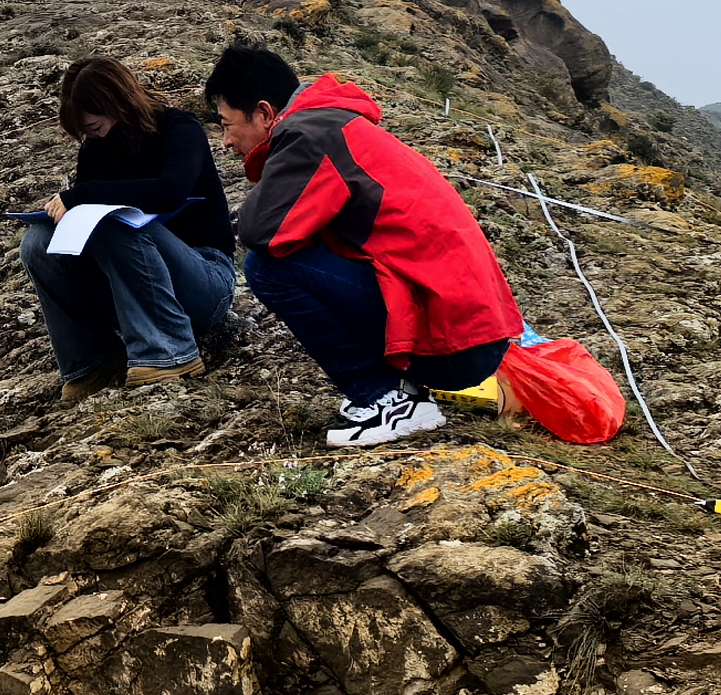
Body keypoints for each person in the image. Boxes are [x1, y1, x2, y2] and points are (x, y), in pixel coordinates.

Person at [205, 41, 525, 449]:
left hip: (454, 340)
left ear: (265, 113)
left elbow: (260, 230)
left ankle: (387, 399)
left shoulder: (310, 134)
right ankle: (400, 392)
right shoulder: (337, 124)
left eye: (227, 124)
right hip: (471, 330)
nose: (225, 141)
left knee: (266, 267)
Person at [17, 54, 239, 395]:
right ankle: (93, 361)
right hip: (129, 292)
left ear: (114, 101)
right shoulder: (95, 150)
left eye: (91, 117)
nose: (86, 129)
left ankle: (169, 351)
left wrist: (84, 195)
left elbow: (169, 192)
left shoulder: (180, 129)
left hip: (204, 280)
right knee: (38, 242)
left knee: (112, 221)